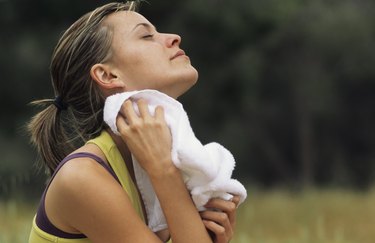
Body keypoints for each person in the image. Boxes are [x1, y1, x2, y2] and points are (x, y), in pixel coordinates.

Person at [28, 1, 240, 243]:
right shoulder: (81, 177)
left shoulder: (166, 160)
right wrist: (164, 171)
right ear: (108, 75)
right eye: (147, 36)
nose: (174, 38)